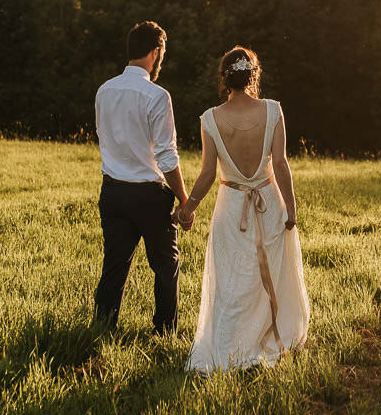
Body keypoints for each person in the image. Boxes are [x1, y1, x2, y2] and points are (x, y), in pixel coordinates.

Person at [176, 45, 309, 372]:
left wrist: (187, 208)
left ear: (224, 78)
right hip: (270, 204)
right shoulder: (274, 110)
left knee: (233, 282)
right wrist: (291, 209)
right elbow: (280, 163)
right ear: (254, 75)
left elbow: (208, 174)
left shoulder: (210, 119)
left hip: (232, 209)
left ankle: (228, 348)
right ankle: (264, 342)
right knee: (268, 280)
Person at [92, 21, 190, 335]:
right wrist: (185, 201)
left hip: (112, 192)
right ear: (155, 52)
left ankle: (102, 329)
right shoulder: (157, 96)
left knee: (114, 267)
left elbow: (104, 138)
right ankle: (164, 331)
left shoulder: (104, 90)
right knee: (165, 267)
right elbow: (167, 156)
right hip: (149, 196)